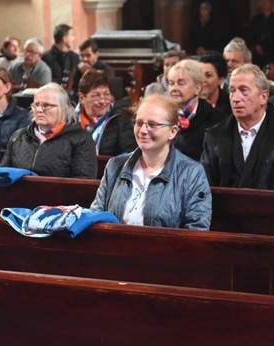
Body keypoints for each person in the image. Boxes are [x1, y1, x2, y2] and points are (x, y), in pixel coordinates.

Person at [90, 94, 212, 230]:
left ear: (172, 131)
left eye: (152, 125)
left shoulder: (192, 173)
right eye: (139, 123)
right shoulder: (114, 166)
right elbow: (96, 217)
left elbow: (196, 229)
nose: (142, 130)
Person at [201, 64, 274, 191]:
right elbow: (205, 188)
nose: (236, 98)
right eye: (232, 91)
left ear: (263, 97)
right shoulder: (215, 136)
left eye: (244, 90)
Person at [1, 82, 96, 178]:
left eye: (46, 105)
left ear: (63, 109)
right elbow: (2, 175)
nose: (39, 110)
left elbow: (83, 182)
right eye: (36, 105)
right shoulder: (18, 137)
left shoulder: (80, 139)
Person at [168, 59, 225, 161]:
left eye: (181, 83)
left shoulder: (216, 119)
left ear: (197, 88)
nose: (174, 88)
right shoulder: (162, 115)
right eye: (171, 83)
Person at [77, 69, 136, 156]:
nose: (102, 101)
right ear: (82, 98)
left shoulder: (121, 119)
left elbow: (129, 153)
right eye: (96, 95)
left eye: (106, 94)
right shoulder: (70, 120)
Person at [248, 0, 274, 68]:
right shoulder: (256, 18)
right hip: (256, 52)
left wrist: (263, 46)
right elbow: (251, 32)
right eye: (264, 2)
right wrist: (256, 45)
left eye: (267, 1)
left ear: (272, 3)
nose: (265, 4)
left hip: (270, 51)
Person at [199, 50, 231, 115]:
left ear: (221, 79)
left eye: (208, 75)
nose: (203, 80)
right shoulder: (190, 104)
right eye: (200, 75)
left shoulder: (230, 105)